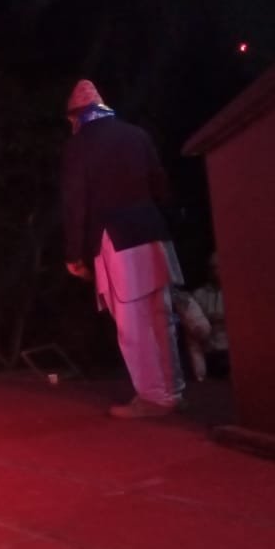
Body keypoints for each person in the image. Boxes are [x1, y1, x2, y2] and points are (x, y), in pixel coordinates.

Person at [61, 79, 185, 418]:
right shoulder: (137, 135)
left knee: (134, 322)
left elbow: (75, 202)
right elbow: (161, 186)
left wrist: (74, 253)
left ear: (75, 116)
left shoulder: (79, 145)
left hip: (116, 239)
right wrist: (168, 226)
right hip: (153, 233)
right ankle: (173, 391)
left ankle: (154, 396)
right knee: (162, 317)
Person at [189, 252, 229, 380]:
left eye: (218, 267)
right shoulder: (199, 294)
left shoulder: (235, 292)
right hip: (209, 352)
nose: (215, 271)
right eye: (212, 268)